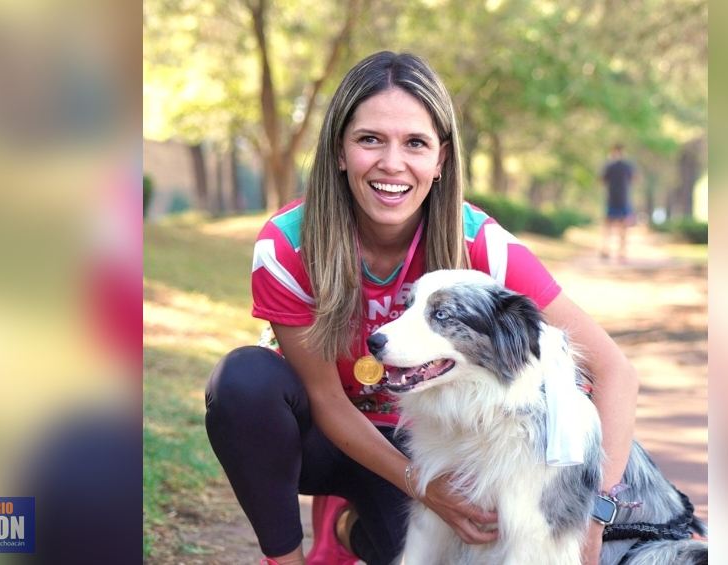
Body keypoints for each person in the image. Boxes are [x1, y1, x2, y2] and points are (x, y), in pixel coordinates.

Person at [205, 51, 638, 565]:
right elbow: (326, 399)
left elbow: (614, 371)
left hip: (430, 442)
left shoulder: (481, 244)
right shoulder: (285, 246)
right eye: (370, 139)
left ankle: (345, 527)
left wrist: (591, 516)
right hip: (329, 434)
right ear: (339, 151)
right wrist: (421, 487)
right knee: (243, 382)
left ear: (441, 159)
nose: (392, 163)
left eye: (415, 143)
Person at [600, 143, 637, 262]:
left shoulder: (610, 166)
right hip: (622, 199)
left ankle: (612, 250)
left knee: (612, 226)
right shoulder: (627, 166)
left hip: (615, 199)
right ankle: (618, 252)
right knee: (621, 227)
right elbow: (634, 179)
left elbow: (602, 180)